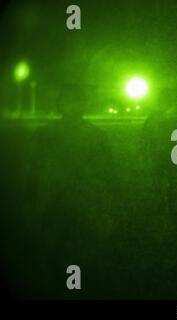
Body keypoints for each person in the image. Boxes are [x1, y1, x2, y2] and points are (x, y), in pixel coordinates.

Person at [23, 84, 116, 298]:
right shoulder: (46, 134)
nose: (73, 106)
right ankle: (69, 285)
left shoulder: (95, 135)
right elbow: (34, 167)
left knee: (78, 247)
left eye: (77, 101)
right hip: (57, 198)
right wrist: (31, 192)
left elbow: (107, 168)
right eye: (68, 101)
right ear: (61, 105)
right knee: (58, 246)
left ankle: (73, 285)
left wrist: (111, 192)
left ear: (83, 105)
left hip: (84, 199)